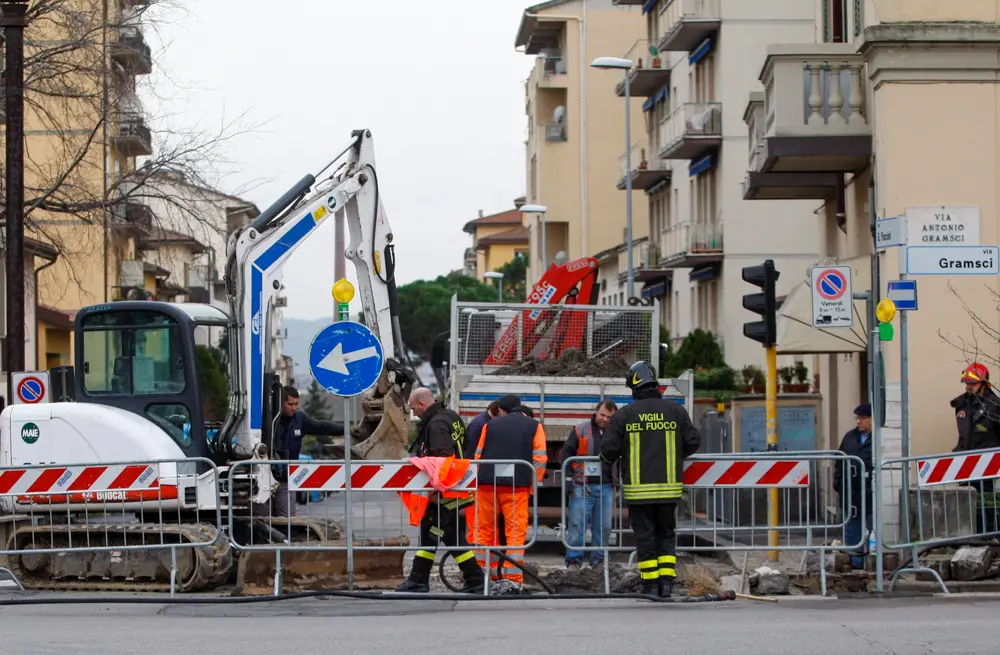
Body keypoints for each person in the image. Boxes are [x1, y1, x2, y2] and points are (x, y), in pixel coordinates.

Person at [600, 361, 700, 598]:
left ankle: (650, 586)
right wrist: (676, 456)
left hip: (639, 492)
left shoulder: (625, 415)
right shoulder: (675, 411)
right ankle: (666, 583)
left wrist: (608, 460)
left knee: (645, 537)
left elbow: (608, 451)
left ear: (635, 387)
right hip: (668, 490)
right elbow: (694, 441)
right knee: (666, 534)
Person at [396, 387, 484, 593]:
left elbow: (442, 462)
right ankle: (474, 579)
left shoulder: (436, 425)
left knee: (431, 531)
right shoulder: (451, 417)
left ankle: (419, 580)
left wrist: (434, 490)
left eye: (413, 408)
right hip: (455, 490)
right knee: (450, 536)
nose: (414, 413)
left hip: (445, 492)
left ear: (422, 404)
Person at [473, 395, 547, 586]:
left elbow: (478, 457)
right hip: (516, 488)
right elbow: (540, 459)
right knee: (514, 532)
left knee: (484, 530)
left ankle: (482, 576)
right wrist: (532, 485)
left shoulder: (490, 425)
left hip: (487, 485)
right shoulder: (534, 426)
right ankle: (512, 578)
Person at [269, 386, 345, 517]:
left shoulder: (299, 419)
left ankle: (285, 537)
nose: (293, 408)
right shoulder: (268, 420)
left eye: (296, 404)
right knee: (262, 518)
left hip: (285, 478)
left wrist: (346, 429)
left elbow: (321, 426)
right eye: (290, 404)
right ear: (280, 403)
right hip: (265, 475)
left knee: (287, 518)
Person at [560, 399, 617, 569]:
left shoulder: (616, 433)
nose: (605, 419)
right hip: (581, 484)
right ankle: (573, 560)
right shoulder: (580, 429)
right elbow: (566, 454)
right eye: (602, 415)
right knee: (577, 524)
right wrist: (568, 478)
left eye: (609, 417)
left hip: (606, 485)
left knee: (604, 526)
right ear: (596, 412)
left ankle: (598, 561)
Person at [951, 363, 1000, 529]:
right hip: (965, 461)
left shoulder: (995, 405)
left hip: (987, 462)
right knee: (967, 503)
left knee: (986, 502)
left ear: (984, 383)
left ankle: (988, 534)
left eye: (973, 383)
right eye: (967, 383)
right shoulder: (962, 404)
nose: (968, 387)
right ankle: (970, 534)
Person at [833, 403, 873, 569]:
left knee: (872, 528)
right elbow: (839, 460)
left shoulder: (878, 437)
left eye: (863, 418)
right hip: (851, 492)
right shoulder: (850, 437)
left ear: (872, 419)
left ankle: (872, 563)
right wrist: (838, 483)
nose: (858, 422)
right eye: (858, 418)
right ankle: (856, 563)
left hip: (871, 490)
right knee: (852, 529)